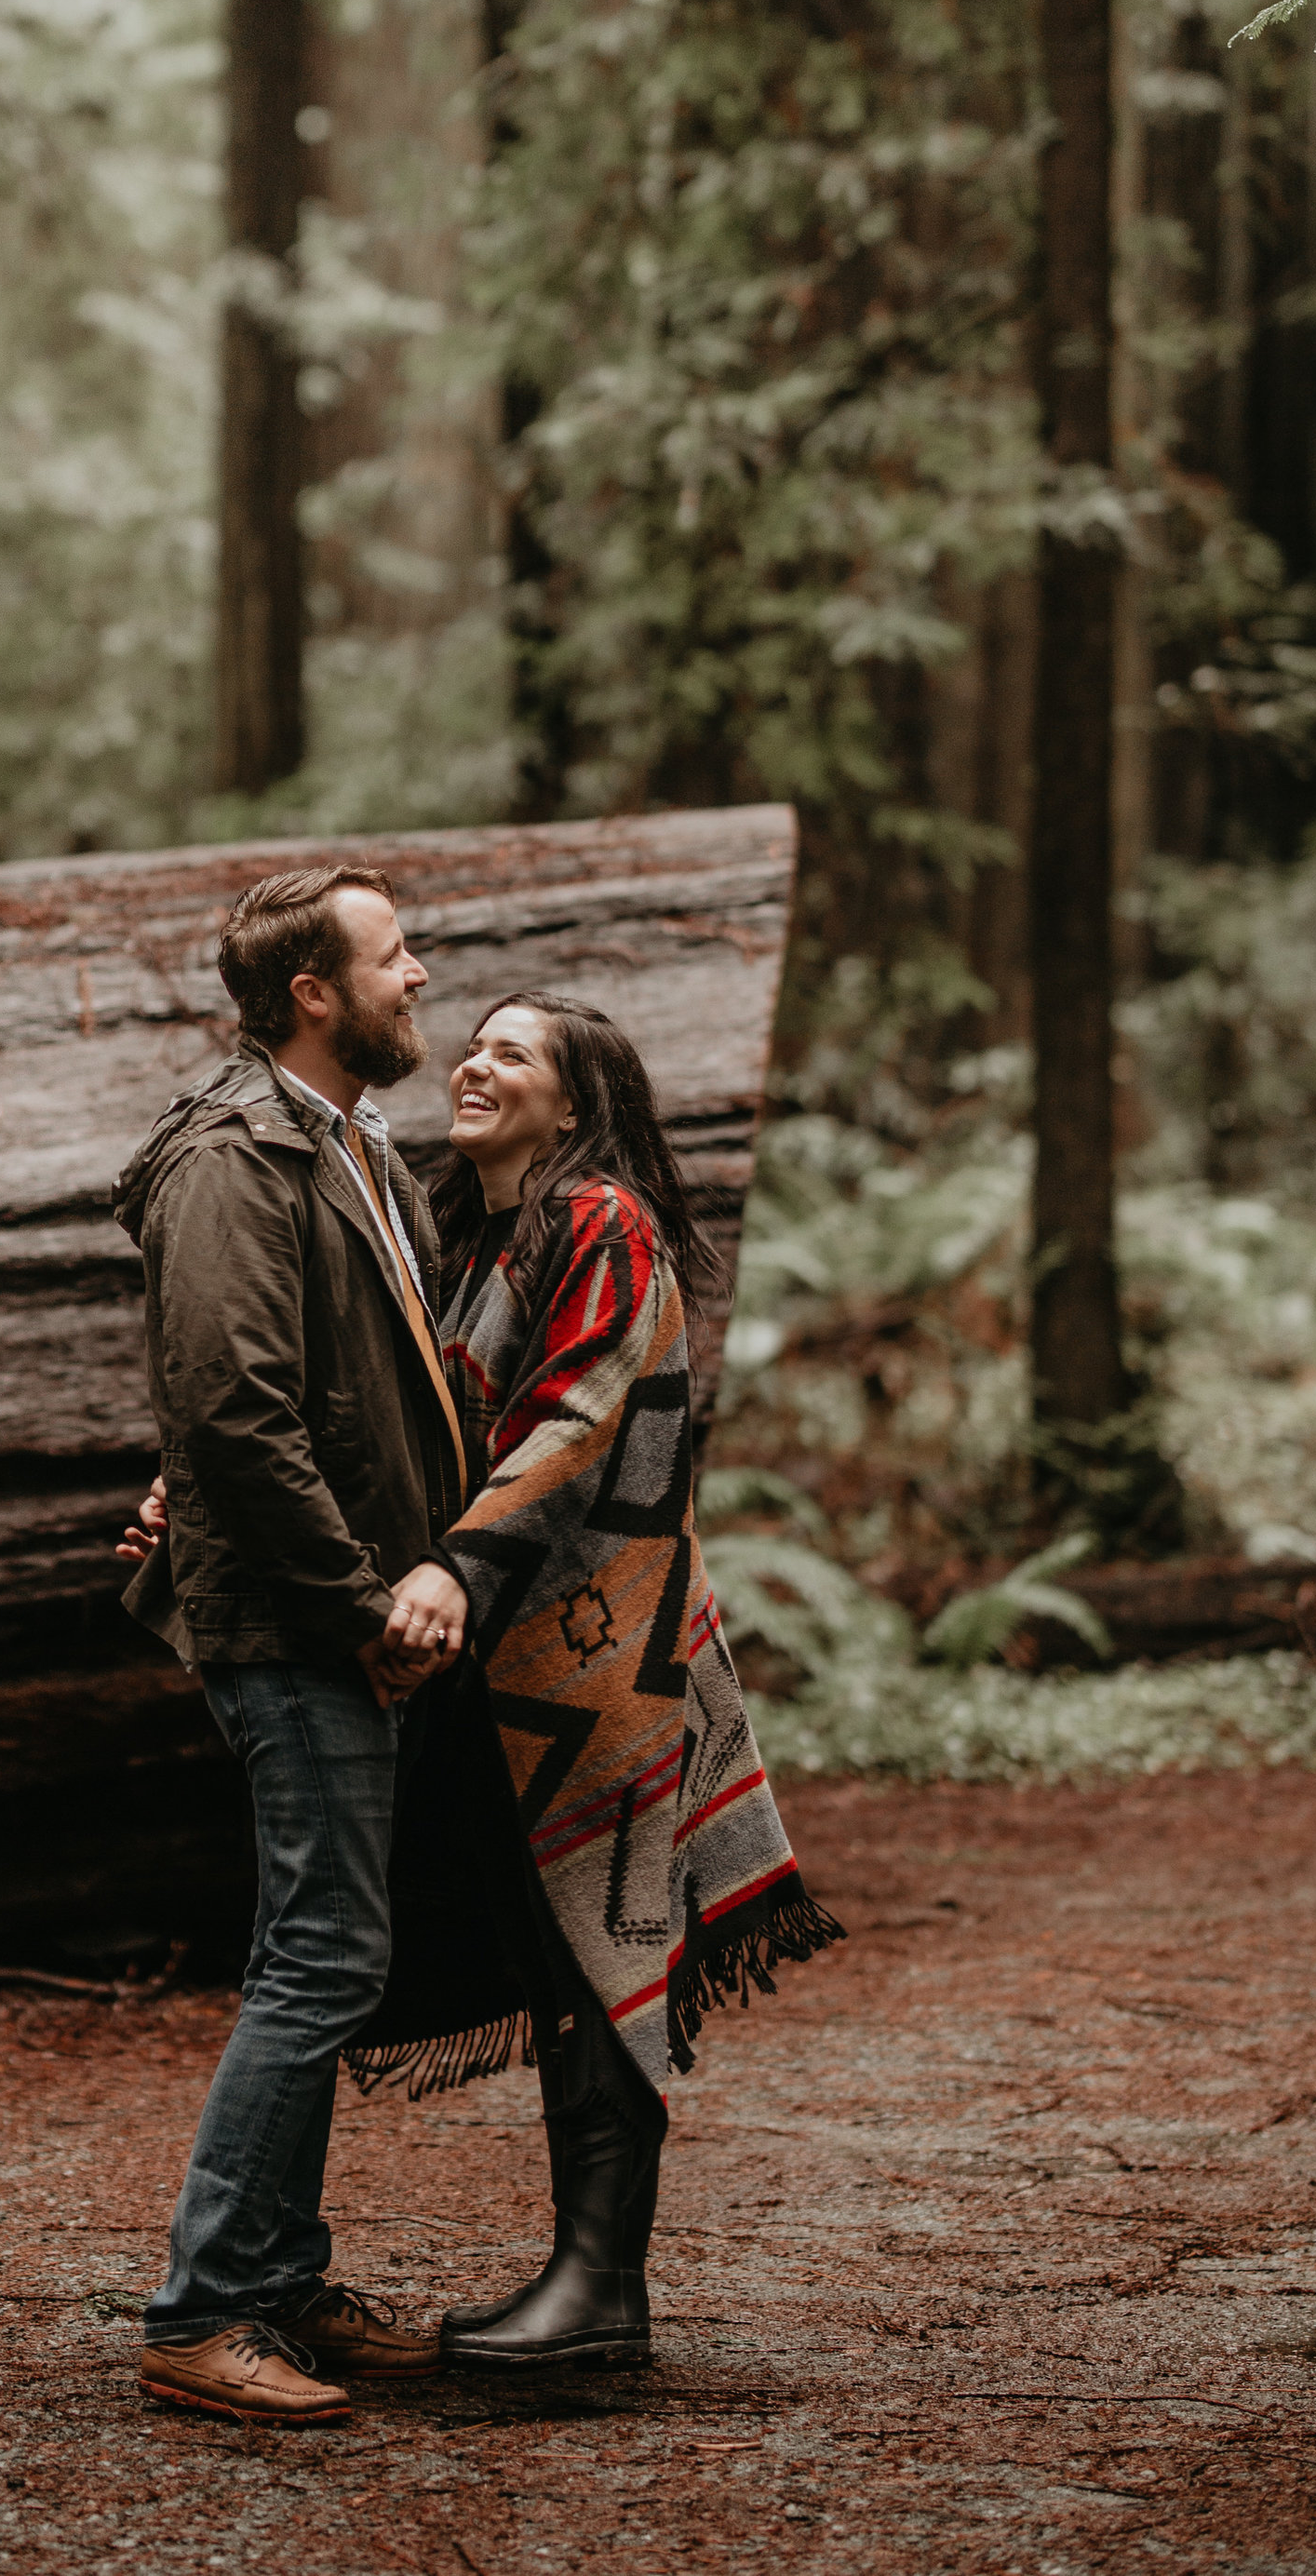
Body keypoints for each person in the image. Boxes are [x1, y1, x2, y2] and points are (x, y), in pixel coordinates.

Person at [343, 988, 844, 2370]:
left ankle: (600, 2289)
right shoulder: (476, 1242)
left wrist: (454, 1562)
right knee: (546, 1946)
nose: (475, 1061)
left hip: (603, 1655)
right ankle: (587, 2279)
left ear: (575, 1105)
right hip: (502, 1658)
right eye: (476, 1041)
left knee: (595, 1948)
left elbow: (583, 1412)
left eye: (514, 1051)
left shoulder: (603, 1224)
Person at [109, 863, 473, 2430]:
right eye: (394, 956)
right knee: (324, 1955)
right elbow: (233, 1412)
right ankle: (202, 2312)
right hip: (291, 1622)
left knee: (315, 1946)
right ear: (312, 990)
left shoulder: (355, 1143)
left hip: (335, 1610)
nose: (420, 975)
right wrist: (359, 1602)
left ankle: (281, 2278)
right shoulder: (234, 1158)